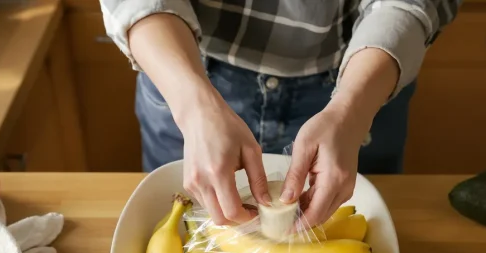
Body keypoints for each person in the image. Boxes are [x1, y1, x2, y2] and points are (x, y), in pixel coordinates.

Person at [100, 0, 462, 228]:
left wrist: (352, 110)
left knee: (368, 234)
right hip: (186, 73)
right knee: (182, 224)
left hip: (359, 80)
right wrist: (194, 106)